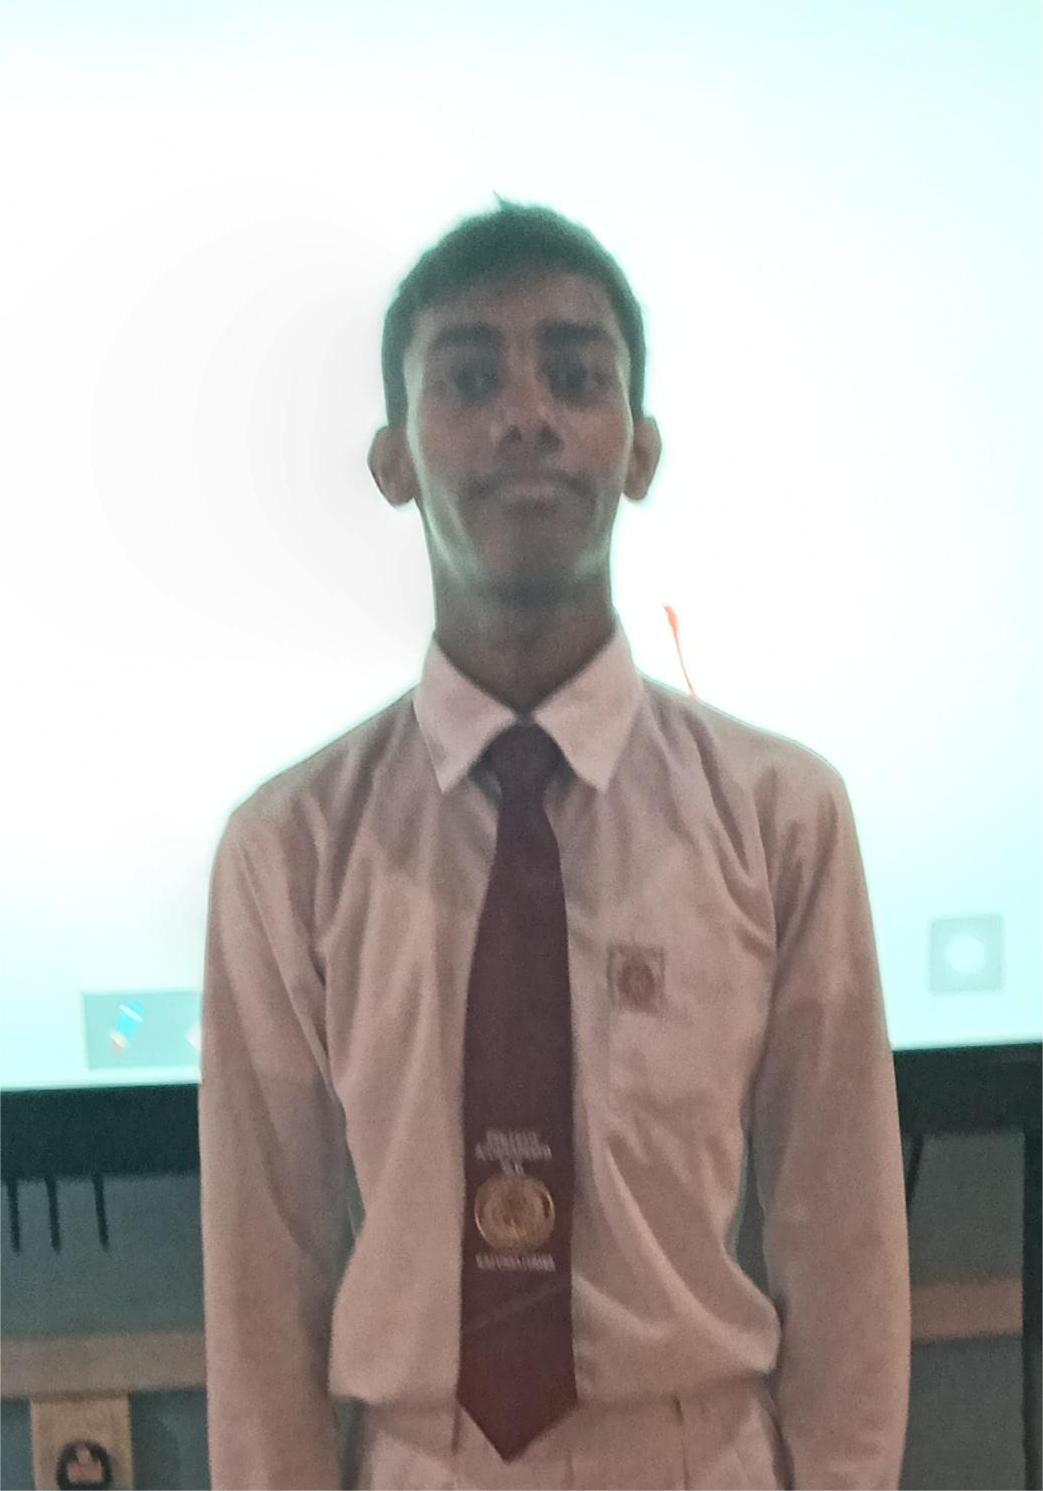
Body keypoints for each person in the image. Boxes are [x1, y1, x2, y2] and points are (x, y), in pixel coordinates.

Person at [199, 200, 911, 1490]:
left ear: (640, 449)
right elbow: (265, 1280)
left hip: (698, 1450)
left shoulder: (781, 819)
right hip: (421, 1457)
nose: (526, 414)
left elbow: (845, 1244)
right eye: (471, 379)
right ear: (393, 458)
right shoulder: (289, 851)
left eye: (576, 377)